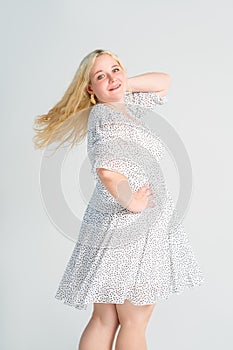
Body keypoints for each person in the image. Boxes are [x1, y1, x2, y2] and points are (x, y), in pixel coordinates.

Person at [33, 48, 205, 350]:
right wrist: (132, 202)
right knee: (135, 319)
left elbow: (163, 82)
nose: (112, 78)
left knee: (105, 318)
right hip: (129, 228)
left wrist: (123, 85)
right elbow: (107, 171)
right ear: (90, 89)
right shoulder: (108, 115)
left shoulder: (124, 107)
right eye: (101, 76)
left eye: (116, 69)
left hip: (111, 226)